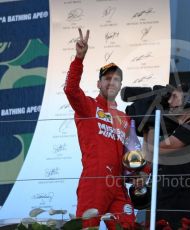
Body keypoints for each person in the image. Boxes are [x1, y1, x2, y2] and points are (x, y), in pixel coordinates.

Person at [64, 28, 135, 229]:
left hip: (118, 184)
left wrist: (143, 172)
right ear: (99, 83)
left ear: (120, 85)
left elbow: (133, 155)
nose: (112, 82)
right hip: (95, 180)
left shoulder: (124, 118)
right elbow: (70, 89)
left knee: (127, 226)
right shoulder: (88, 107)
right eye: (107, 78)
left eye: (116, 79)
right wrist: (79, 58)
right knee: (88, 227)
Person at [144, 83, 190, 229]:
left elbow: (153, 151)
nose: (169, 101)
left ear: (189, 101)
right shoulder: (180, 128)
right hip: (169, 197)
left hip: (180, 201)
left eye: (174, 96)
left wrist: (150, 125)